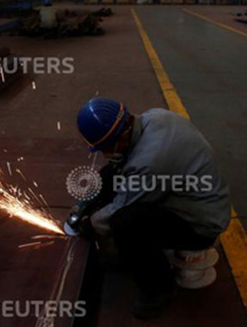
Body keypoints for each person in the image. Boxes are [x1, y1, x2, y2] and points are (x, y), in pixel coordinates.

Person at [73, 98, 231, 319]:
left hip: (200, 222)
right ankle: (132, 255)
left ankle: (159, 289)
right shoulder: (153, 117)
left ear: (121, 137)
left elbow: (119, 208)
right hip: (183, 195)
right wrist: (83, 206)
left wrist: (90, 224)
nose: (104, 153)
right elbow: (119, 172)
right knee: (110, 174)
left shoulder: (150, 162)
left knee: (125, 223)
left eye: (105, 148)